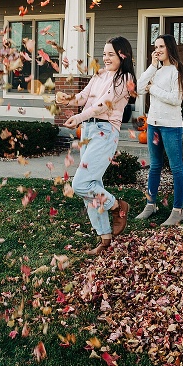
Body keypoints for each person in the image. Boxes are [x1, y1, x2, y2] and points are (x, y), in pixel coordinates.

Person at [57, 36, 135, 255]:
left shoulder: (125, 79)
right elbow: (85, 97)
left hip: (105, 131)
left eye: (111, 54)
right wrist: (67, 99)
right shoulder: (99, 74)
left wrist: (79, 117)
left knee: (81, 184)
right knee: (92, 185)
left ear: (123, 55)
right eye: (104, 54)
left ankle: (117, 206)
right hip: (90, 131)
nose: (106, 58)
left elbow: (103, 105)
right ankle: (105, 238)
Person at [135, 34, 183, 226]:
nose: (157, 50)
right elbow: (140, 88)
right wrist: (151, 66)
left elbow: (176, 99)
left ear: (170, 48)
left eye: (161, 47)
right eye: (155, 46)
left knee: (176, 167)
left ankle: (177, 210)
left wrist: (153, 89)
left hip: (171, 126)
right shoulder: (156, 70)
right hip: (154, 124)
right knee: (155, 166)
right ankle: (151, 205)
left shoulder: (177, 70)